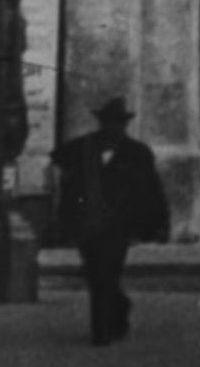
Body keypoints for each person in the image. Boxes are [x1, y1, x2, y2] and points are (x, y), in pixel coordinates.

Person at [54, 96, 172, 347]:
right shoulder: (84, 147)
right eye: (108, 123)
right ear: (101, 124)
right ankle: (119, 307)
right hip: (88, 223)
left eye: (117, 124)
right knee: (97, 274)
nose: (112, 128)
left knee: (106, 273)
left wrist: (160, 224)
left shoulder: (137, 153)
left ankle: (101, 332)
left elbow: (152, 190)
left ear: (124, 127)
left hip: (119, 227)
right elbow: (59, 157)